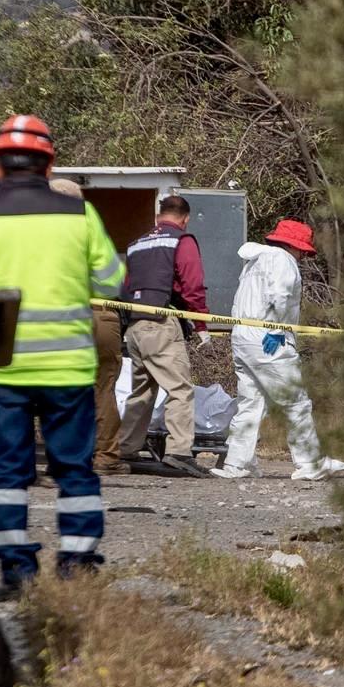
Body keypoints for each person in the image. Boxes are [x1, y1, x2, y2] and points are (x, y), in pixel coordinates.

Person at [0, 114, 126, 597]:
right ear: (49, 164)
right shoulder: (79, 215)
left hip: (2, 369)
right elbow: (111, 282)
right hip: (67, 369)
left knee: (5, 475)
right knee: (74, 470)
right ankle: (77, 564)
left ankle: (17, 574)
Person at [211, 219, 344, 481]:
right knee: (295, 400)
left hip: (242, 336)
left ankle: (237, 463)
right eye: (302, 251)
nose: (302, 256)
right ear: (293, 246)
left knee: (250, 402)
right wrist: (276, 329)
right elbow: (280, 295)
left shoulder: (254, 262)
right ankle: (310, 462)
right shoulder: (283, 260)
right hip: (267, 337)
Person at [117, 195, 213, 478]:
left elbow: (126, 285)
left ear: (159, 215)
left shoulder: (137, 244)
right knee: (179, 389)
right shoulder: (181, 240)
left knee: (142, 391)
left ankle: (126, 447)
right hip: (161, 323)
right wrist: (201, 324)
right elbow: (192, 285)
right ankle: (179, 452)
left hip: (135, 325)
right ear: (186, 218)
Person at [50, 177, 127, 476]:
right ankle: (106, 456)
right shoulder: (90, 228)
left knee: (59, 388)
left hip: (61, 317)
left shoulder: (40, 232)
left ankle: (65, 458)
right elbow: (112, 279)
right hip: (101, 315)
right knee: (103, 389)